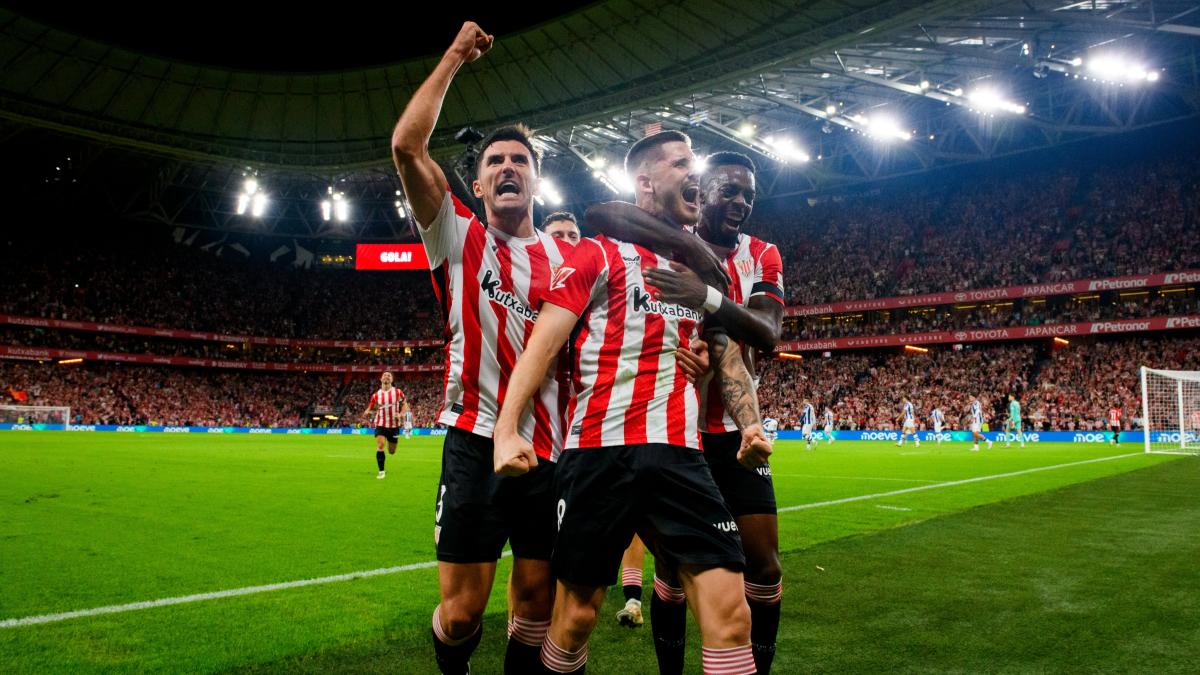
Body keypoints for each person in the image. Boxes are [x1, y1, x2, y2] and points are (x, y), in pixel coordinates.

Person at [493, 130, 768, 675]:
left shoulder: (695, 277)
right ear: (644, 182)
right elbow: (543, 341)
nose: (697, 174)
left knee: (732, 614)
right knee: (574, 619)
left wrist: (751, 425)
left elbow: (724, 350)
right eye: (681, 164)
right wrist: (507, 428)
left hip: (680, 457)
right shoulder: (598, 253)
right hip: (601, 453)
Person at [391, 22, 566, 673]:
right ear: (482, 182)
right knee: (463, 612)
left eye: (520, 159)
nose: (507, 166)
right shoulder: (457, 237)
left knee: (535, 604)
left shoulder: (566, 262)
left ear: (536, 181)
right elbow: (407, 144)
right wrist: (457, 55)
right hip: (472, 440)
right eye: (495, 160)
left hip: (546, 448)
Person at [362, 371, 404, 478]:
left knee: (392, 451)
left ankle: (390, 447)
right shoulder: (376, 395)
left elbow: (405, 405)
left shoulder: (398, 392)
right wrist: (367, 412)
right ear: (381, 379)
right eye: (384, 375)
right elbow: (370, 407)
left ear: (392, 380)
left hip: (394, 425)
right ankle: (381, 471)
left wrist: (400, 414)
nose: (386, 377)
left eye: (389, 375)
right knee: (380, 445)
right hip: (380, 423)